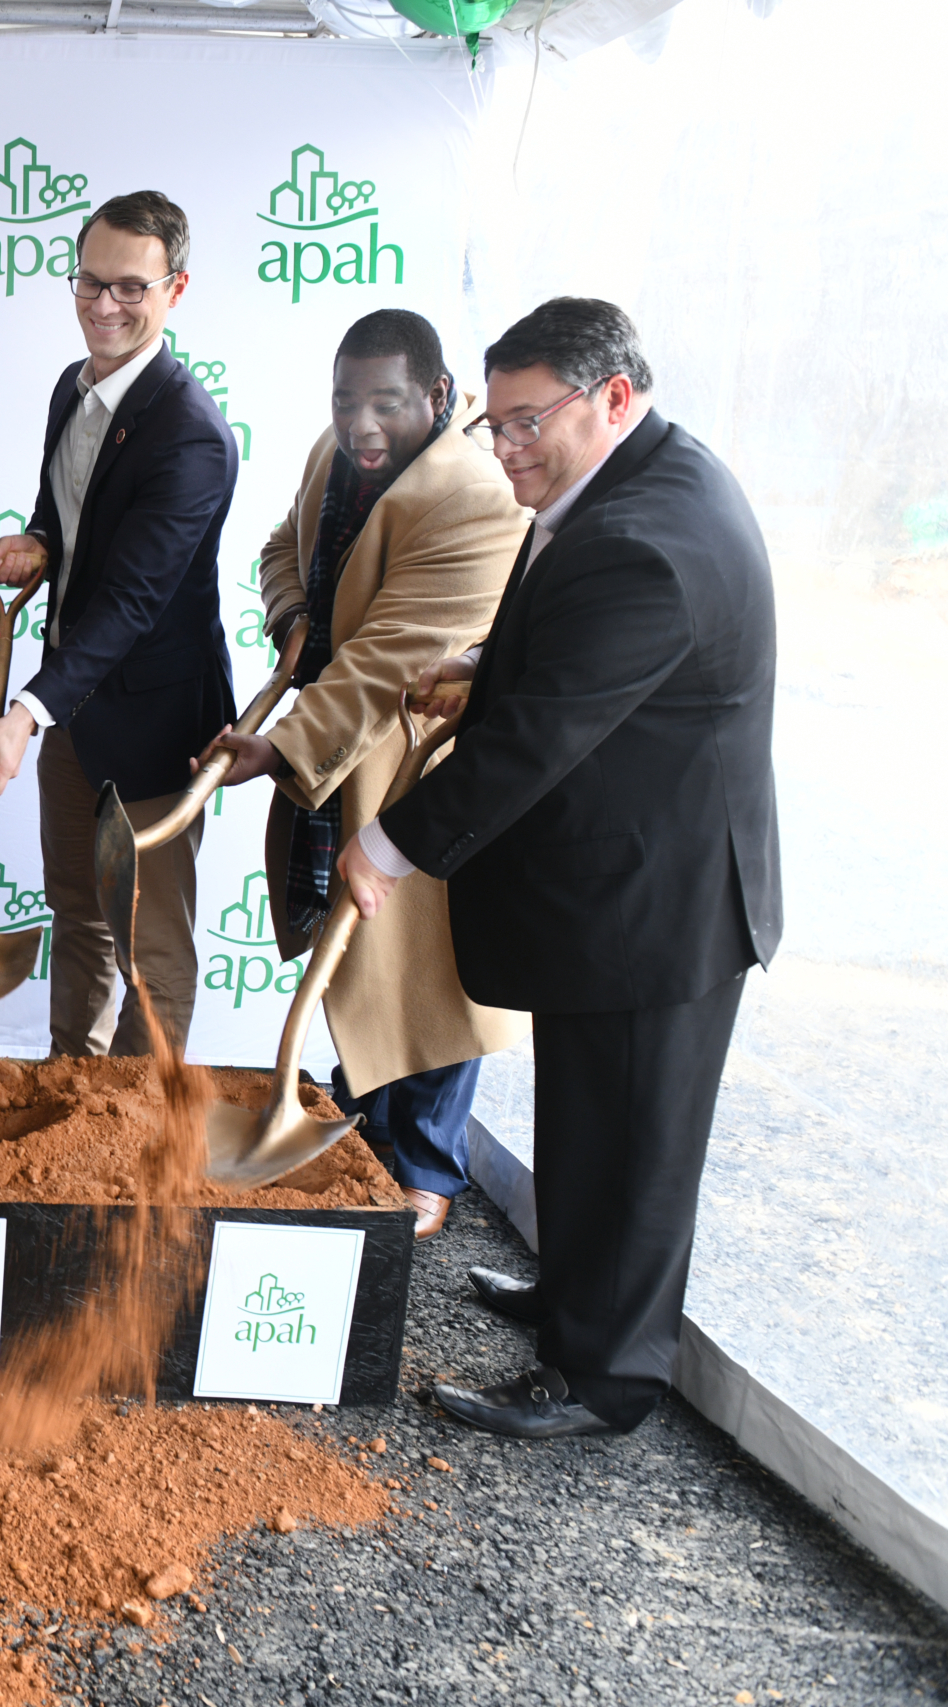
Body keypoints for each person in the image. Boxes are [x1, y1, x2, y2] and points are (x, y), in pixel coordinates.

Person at [338, 298, 781, 1439]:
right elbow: (570, 656)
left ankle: (601, 1381)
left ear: (614, 400)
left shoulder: (645, 538)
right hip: (618, 883)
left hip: (663, 898)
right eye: (494, 423)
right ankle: (573, 1301)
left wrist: (383, 846)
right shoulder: (624, 486)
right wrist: (483, 661)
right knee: (588, 1117)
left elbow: (536, 737)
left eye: (529, 423)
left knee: (636, 1144)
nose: (507, 448)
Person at [199, 310, 531, 1239]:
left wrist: (280, 747)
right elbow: (280, 550)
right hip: (347, 747)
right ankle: (363, 1127)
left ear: (436, 395)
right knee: (357, 957)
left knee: (426, 970)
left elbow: (387, 660)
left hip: (419, 760)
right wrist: (291, 615)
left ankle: (425, 1165)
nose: (362, 424)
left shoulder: (476, 494)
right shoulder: (332, 454)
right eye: (346, 401)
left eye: (386, 402)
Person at [0, 191, 238, 1059]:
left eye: (130, 288)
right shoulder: (72, 387)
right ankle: (70, 1092)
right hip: (76, 712)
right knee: (78, 915)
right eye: (90, 282)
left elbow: (132, 598)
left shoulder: (193, 437)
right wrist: (41, 540)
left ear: (176, 290)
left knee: (149, 946)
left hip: (155, 724)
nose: (104, 306)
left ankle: (131, 1133)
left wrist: (26, 711)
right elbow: (72, 512)